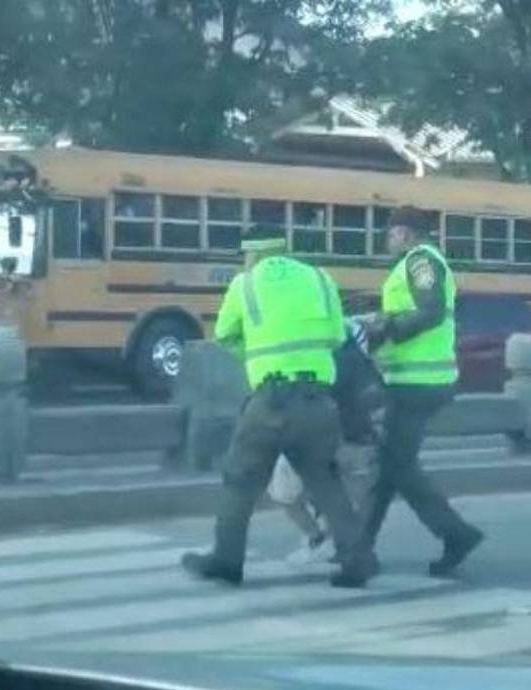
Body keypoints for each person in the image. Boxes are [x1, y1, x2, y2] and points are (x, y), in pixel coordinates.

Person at [180, 230, 374, 589]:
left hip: (270, 400)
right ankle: (357, 561)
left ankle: (227, 561)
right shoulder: (320, 278)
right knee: (325, 481)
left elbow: (225, 335)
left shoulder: (245, 284)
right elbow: (337, 337)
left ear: (252, 254)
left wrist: (256, 357)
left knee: (240, 480)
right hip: (318, 400)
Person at [360, 206, 484, 577]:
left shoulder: (421, 262)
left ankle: (456, 534)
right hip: (412, 380)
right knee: (390, 466)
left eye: (391, 233)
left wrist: (387, 329)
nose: (387, 240)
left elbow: (431, 311)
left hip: (419, 382)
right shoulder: (414, 263)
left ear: (405, 232)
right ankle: (359, 545)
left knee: (397, 466)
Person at [279, 318, 383, 566]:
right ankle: (352, 548)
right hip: (358, 441)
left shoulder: (310, 360)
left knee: (286, 494)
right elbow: (377, 400)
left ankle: (319, 539)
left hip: (319, 440)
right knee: (352, 499)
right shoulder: (362, 362)